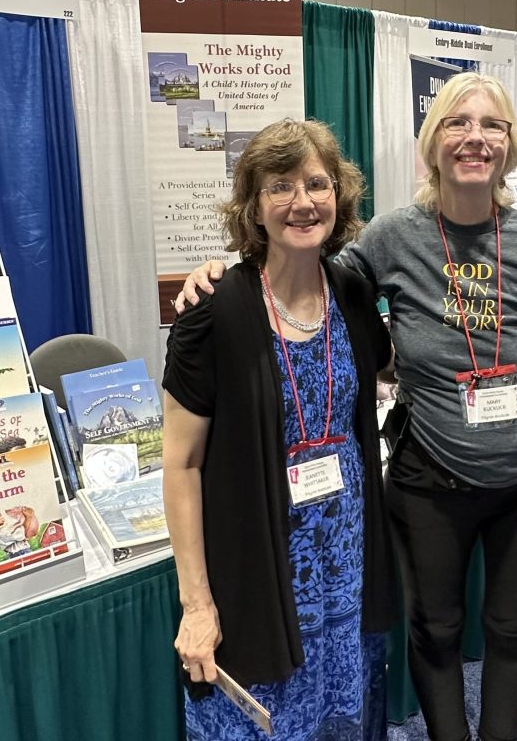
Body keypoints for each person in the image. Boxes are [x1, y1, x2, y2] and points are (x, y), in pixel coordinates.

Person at [178, 72, 517, 741]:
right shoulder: (393, 239)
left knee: (514, 629)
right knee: (437, 630)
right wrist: (219, 271)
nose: (475, 137)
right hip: (432, 478)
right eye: (458, 122)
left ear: (509, 144)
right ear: (432, 143)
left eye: (492, 125)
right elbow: (303, 268)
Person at [163, 118, 396, 741]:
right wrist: (196, 605)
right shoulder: (212, 312)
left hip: (346, 561)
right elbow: (181, 467)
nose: (302, 202)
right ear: (253, 206)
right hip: (258, 569)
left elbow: (382, 370)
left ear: (338, 196)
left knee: (343, 716)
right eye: (280, 186)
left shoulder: (351, 292)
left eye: (316, 184)